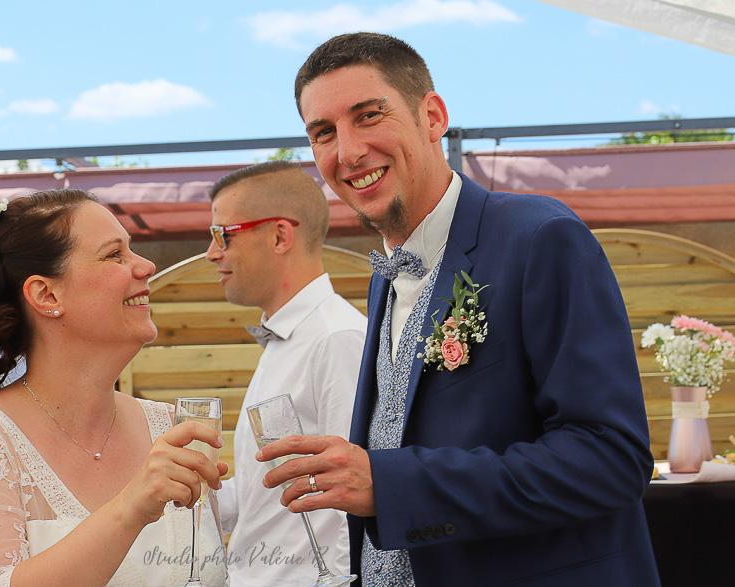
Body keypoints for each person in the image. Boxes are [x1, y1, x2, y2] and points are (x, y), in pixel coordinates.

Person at [257, 32, 659, 585]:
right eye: (323, 132)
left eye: (369, 116)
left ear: (433, 116)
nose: (347, 152)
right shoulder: (384, 281)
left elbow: (611, 460)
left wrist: (391, 482)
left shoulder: (540, 238)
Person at [0, 190, 228, 587]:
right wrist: (129, 509)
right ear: (47, 295)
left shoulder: (170, 427)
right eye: (115, 255)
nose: (147, 266)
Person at [207, 161, 365, 586]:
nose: (212, 253)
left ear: (280, 235)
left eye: (223, 234)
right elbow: (266, 492)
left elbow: (352, 496)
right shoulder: (287, 338)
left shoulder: (337, 338)